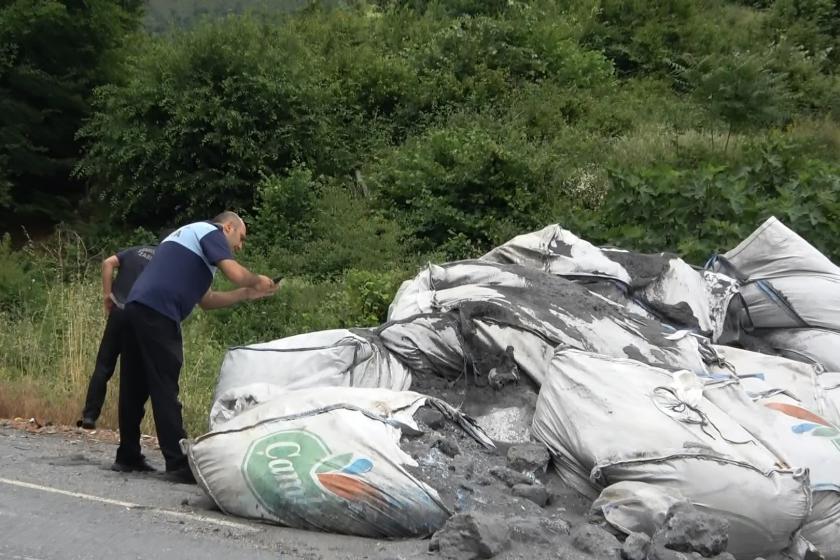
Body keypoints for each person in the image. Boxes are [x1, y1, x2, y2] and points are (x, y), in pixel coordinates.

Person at [113, 211, 277, 483]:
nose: (240, 246)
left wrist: (246, 294)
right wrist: (255, 280)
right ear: (228, 228)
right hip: (159, 312)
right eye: (241, 238)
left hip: (135, 306)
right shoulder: (210, 232)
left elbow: (207, 300)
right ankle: (178, 463)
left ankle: (127, 455)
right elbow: (235, 272)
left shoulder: (189, 244)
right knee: (165, 386)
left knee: (134, 385)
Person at [77, 244, 156, 430]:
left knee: (103, 366)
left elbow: (107, 263)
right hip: (140, 317)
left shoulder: (134, 251)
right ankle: (128, 428)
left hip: (118, 311)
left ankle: (89, 415)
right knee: (132, 375)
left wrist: (107, 295)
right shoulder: (164, 259)